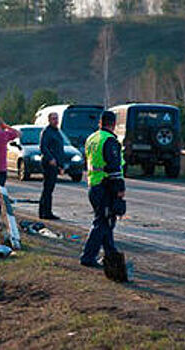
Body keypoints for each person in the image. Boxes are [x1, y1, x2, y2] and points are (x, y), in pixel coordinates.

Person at [80, 111, 125, 268]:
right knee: (102, 223)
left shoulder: (91, 138)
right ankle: (88, 256)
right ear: (113, 124)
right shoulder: (110, 140)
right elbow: (114, 168)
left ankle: (111, 256)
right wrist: (120, 189)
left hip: (93, 184)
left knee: (107, 222)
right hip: (106, 186)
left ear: (100, 122)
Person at [39, 112, 66, 220]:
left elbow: (59, 149)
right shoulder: (47, 131)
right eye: (53, 119)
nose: (56, 120)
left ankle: (47, 211)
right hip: (48, 163)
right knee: (47, 188)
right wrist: (50, 159)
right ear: (49, 120)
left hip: (55, 164)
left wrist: (61, 165)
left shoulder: (57, 132)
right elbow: (43, 147)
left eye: (57, 118)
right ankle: (44, 212)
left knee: (50, 189)